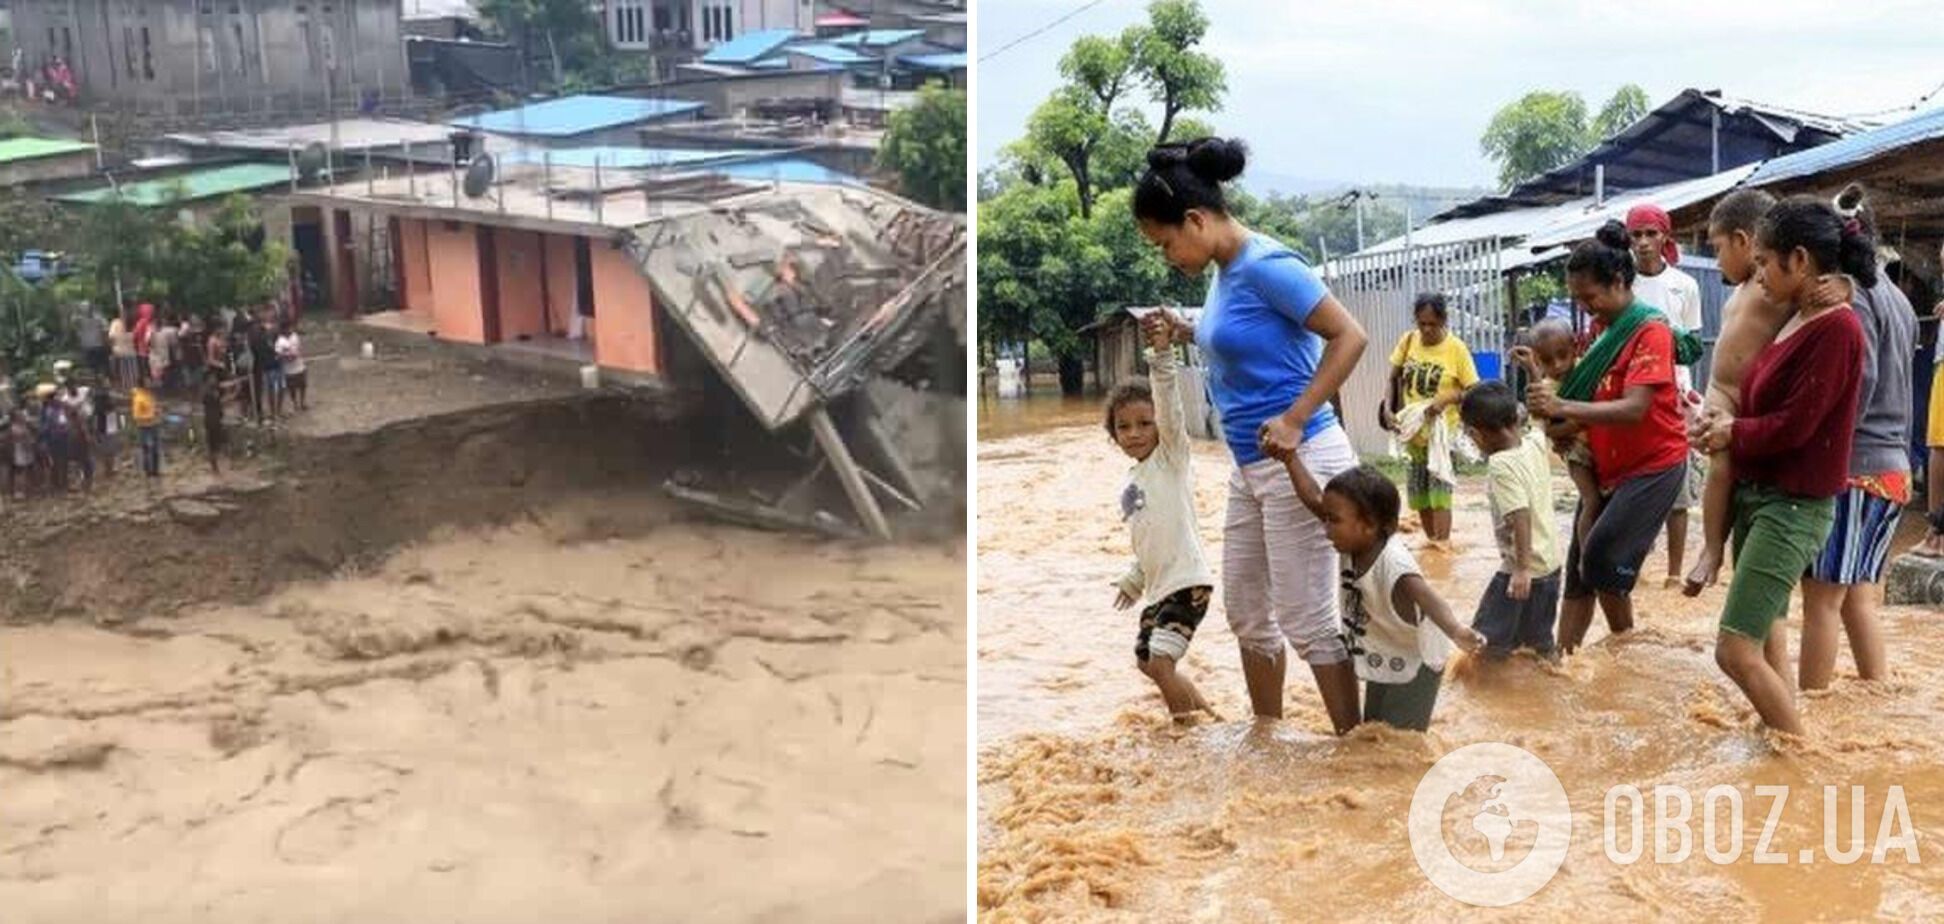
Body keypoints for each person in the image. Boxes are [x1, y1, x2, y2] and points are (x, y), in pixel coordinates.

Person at [1133, 137, 1372, 731]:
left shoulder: (1267, 265)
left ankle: (1357, 749)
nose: (1167, 257)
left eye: (1166, 244)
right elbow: (1245, 340)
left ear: (1196, 219)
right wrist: (1188, 331)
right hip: (1250, 465)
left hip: (1302, 455)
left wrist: (1294, 418)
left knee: (1307, 618)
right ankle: (1268, 739)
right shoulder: (1221, 273)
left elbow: (1351, 337)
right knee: (1246, 613)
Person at [1692, 196, 1868, 736]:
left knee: (1733, 649)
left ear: (1798, 260)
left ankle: (1803, 761)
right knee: (1765, 631)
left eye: (1766, 261)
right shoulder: (1799, 316)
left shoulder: (1835, 328)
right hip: (1760, 492)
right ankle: (1778, 742)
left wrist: (1731, 431)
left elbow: (1797, 425)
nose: (1759, 274)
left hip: (1791, 506)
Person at [1527, 222, 1689, 653]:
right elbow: (1580, 406)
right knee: (1580, 570)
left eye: (1589, 297)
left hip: (1654, 465)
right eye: (1578, 299)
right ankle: (1561, 662)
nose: (1585, 308)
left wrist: (1561, 409)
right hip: (1607, 466)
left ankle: (1624, 650)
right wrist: (1554, 418)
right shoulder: (1600, 332)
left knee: (1600, 558)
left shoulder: (1648, 331)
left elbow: (1635, 408)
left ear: (1618, 282)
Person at [1681, 192, 1848, 592]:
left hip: (1748, 400)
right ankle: (1710, 546)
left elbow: (1822, 285)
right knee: (1715, 471)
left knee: (1721, 468)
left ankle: (1712, 550)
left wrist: (1846, 284)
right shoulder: (1746, 285)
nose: (1717, 260)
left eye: (1718, 248)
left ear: (1743, 240)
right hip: (1720, 392)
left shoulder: (1777, 283)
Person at [1798, 189, 1916, 691]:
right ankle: (1877, 694)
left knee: (1821, 599)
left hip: (1855, 468)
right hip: (1893, 470)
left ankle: (1805, 721)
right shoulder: (1897, 297)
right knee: (1860, 595)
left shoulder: (1852, 299)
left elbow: (1858, 382)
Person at [1274, 455, 1484, 731]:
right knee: (1374, 732)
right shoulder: (1352, 540)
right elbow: (1314, 497)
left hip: (1415, 662)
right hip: (1383, 647)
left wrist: (1457, 631)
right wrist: (1290, 460)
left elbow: (1430, 600)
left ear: (1370, 525)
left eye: (1333, 521)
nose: (1325, 529)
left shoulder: (1395, 566)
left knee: (1401, 742)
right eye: (1325, 519)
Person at [1107, 319, 1218, 724]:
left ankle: (1186, 735)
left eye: (1144, 423)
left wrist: (1163, 358)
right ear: (1113, 435)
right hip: (1159, 588)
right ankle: (1208, 718)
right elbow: (1147, 539)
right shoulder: (1131, 482)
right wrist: (1134, 579)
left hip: (1187, 584)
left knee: (1161, 662)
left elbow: (1170, 408)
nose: (1134, 433)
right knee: (1147, 662)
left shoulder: (1170, 459)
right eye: (1123, 427)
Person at [1625, 204, 1707, 588]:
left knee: (1678, 489)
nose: (1643, 242)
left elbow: (1693, 347)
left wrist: (1659, 336)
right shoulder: (1622, 285)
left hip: (1674, 395)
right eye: (1636, 235)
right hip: (1631, 395)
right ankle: (1633, 567)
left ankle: (1674, 574)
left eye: (1650, 234)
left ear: (1664, 237)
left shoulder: (1684, 285)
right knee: (1634, 483)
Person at [1460, 381, 1563, 660]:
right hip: (1551, 566)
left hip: (1521, 570)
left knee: (1484, 644)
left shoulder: (1500, 464)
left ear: (1475, 434)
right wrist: (1533, 372)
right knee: (1538, 644)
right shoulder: (1534, 442)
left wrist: (1521, 570)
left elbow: (1520, 515)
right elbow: (1540, 416)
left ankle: (1488, 696)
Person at [1379, 292, 1477, 546]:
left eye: (1432, 324)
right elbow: (1393, 378)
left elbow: (1473, 391)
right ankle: (1432, 542)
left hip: (1443, 434)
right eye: (1421, 323)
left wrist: (1445, 400)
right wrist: (1388, 409)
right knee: (1419, 493)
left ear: (1444, 320)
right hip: (1414, 431)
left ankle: (1442, 546)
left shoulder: (1456, 349)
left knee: (1440, 492)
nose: (1426, 329)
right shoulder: (1409, 341)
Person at [1511, 320, 1602, 546]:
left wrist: (1575, 423)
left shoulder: (1588, 369)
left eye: (1563, 355)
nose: (1558, 365)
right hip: (1576, 452)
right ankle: (1587, 556)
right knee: (1592, 501)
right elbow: (1540, 428)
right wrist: (1575, 425)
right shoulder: (1547, 388)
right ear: (1539, 360)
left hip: (1600, 446)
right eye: (1548, 361)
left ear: (1575, 347)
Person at [132, 382, 161, 480]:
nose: (150, 385)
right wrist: (151, 415)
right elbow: (136, 416)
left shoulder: (150, 395)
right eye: (148, 384)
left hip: (154, 424)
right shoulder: (138, 398)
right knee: (147, 449)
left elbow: (154, 407)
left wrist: (157, 412)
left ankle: (156, 471)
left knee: (155, 449)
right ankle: (148, 472)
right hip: (144, 427)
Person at [277, 322, 308, 412]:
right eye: (288, 328)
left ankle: (303, 402)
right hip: (288, 368)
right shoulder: (280, 341)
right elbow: (279, 354)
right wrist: (287, 356)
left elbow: (298, 348)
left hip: (299, 364)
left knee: (303, 384)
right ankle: (295, 403)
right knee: (292, 387)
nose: (290, 330)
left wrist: (295, 354)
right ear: (284, 329)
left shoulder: (295, 336)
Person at [75, 304, 109, 380]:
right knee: (97, 369)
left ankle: (100, 382)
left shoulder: (80, 320)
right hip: (93, 347)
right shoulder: (80, 320)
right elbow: (105, 330)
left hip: (93, 347)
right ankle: (100, 382)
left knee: (96, 369)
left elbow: (105, 330)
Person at [150, 311, 179, 394]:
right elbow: (173, 344)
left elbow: (150, 345)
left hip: (158, 356)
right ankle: (164, 390)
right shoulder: (164, 333)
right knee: (163, 374)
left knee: (160, 375)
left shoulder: (154, 333)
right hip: (162, 356)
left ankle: (162, 390)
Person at [109, 308, 136, 390]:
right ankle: (130, 388)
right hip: (125, 352)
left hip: (125, 351)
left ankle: (128, 388)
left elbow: (111, 337)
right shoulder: (118, 323)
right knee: (129, 372)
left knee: (126, 372)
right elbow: (111, 338)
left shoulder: (116, 323)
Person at [132, 302, 155, 387]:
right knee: (151, 369)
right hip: (154, 351)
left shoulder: (140, 322)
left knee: (144, 369)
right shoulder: (152, 322)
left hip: (143, 351)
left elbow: (135, 335)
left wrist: (135, 346)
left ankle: (147, 386)